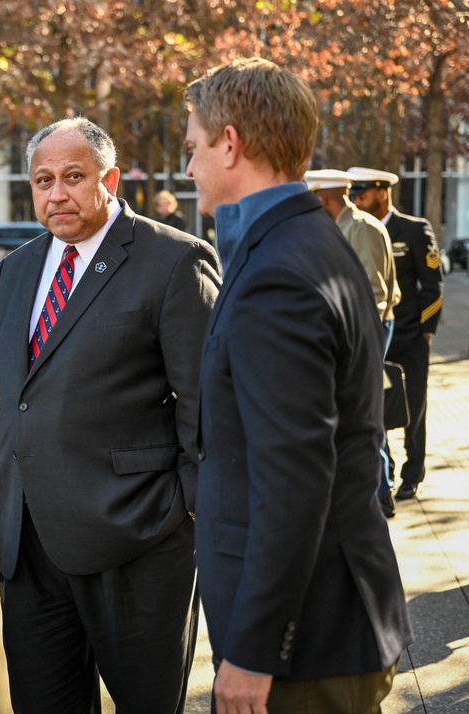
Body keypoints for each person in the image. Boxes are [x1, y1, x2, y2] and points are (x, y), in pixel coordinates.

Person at [0, 116, 220, 712]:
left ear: (109, 179)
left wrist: (185, 504)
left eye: (73, 177)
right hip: (26, 541)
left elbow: (209, 407)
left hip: (135, 539)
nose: (56, 193)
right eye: (42, 181)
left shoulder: (174, 261)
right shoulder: (18, 268)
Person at [185, 58, 412, 713]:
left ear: (231, 144)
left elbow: (293, 477)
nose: (190, 167)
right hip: (329, 625)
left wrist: (255, 648)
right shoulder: (306, 239)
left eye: (194, 148)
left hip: (308, 646)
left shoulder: (277, 273)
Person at [305, 168, 402, 517]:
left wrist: (357, 343)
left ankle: (379, 492)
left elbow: (374, 294)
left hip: (367, 330)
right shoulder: (339, 226)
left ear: (324, 198)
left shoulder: (360, 228)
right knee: (358, 408)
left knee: (364, 409)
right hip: (352, 330)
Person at [348, 166, 444, 502]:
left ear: (381, 192)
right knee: (381, 405)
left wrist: (427, 330)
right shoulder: (357, 230)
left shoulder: (415, 229)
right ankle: (384, 475)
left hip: (410, 337)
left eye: (362, 195)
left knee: (414, 408)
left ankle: (412, 474)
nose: (356, 201)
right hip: (377, 337)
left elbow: (433, 284)